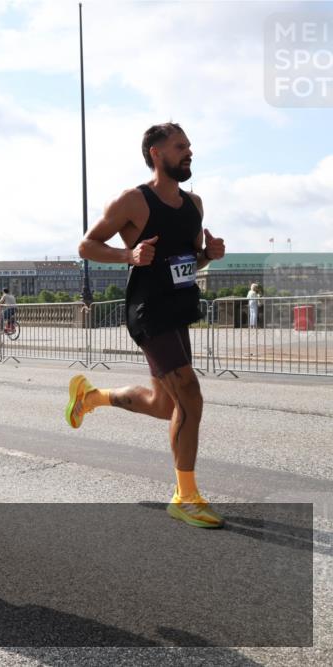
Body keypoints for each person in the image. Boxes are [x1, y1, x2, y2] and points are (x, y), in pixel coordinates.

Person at [67, 122, 227, 529]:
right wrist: (129, 256)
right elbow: (87, 245)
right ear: (156, 153)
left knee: (166, 405)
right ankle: (185, 496)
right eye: (180, 146)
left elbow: (189, 261)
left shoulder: (195, 204)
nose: (189, 151)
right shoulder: (133, 201)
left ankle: (91, 397)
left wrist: (208, 254)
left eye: (189, 145)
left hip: (179, 310)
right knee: (190, 396)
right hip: (149, 311)